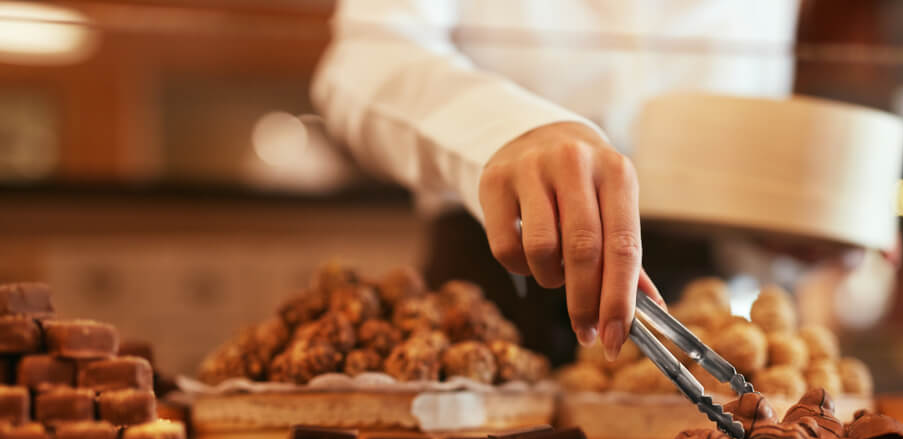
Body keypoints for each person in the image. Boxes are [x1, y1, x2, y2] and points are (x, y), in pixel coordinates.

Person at [311, 0, 802, 362]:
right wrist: (503, 130)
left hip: (708, 312)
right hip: (493, 300)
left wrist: (792, 229)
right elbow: (363, 59)